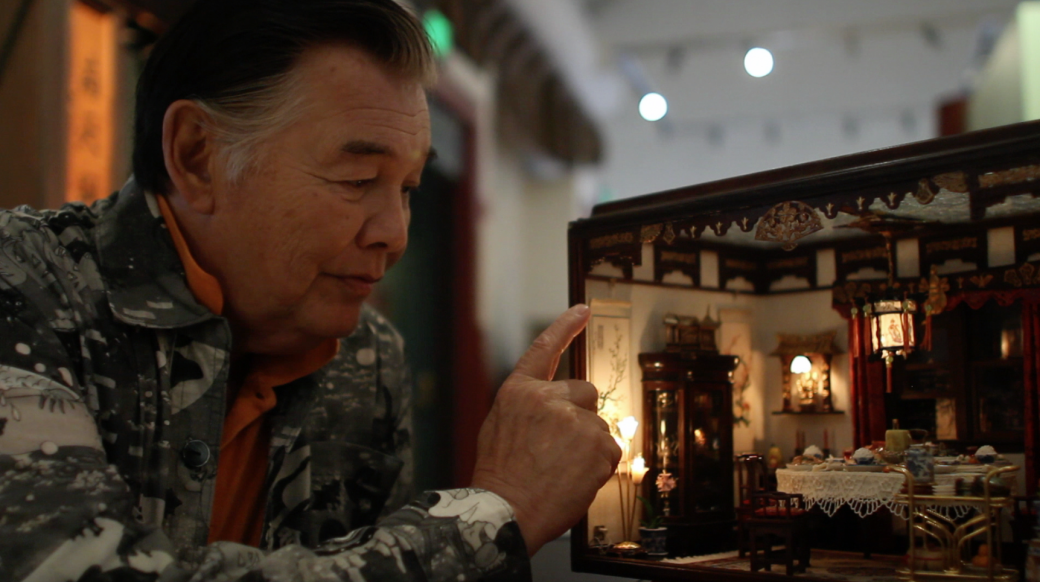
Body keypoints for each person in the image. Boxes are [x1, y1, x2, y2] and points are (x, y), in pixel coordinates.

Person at [0, 1, 621, 580]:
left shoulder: (367, 357)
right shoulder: (25, 287)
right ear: (196, 156)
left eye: (407, 188)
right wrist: (495, 513)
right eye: (357, 178)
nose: (394, 235)